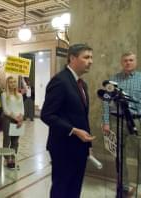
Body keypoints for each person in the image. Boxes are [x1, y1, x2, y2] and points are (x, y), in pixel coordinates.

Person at [41, 43, 95, 198]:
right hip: (63, 147)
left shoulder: (82, 84)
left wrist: (88, 145)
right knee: (61, 188)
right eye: (86, 57)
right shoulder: (60, 81)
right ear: (72, 58)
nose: (90, 61)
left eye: (91, 57)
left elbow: (82, 116)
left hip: (80, 146)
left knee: (75, 187)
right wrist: (73, 130)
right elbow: (47, 114)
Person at [102, 52, 141, 196]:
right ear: (121, 62)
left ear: (135, 62)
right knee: (119, 156)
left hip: (137, 121)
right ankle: (124, 186)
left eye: (131, 60)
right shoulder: (113, 81)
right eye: (125, 60)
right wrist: (106, 122)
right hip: (117, 121)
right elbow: (106, 102)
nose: (128, 63)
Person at [1, 76, 24, 169]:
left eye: (14, 82)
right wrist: (15, 118)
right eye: (10, 82)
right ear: (7, 83)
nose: (13, 84)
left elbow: (22, 108)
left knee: (15, 141)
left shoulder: (20, 95)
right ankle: (7, 159)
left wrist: (21, 118)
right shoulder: (4, 94)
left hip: (18, 120)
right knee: (7, 140)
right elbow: (5, 109)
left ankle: (13, 159)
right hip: (8, 119)